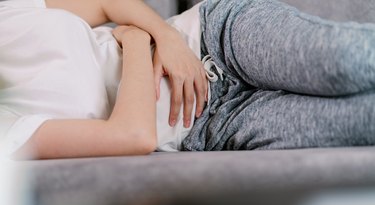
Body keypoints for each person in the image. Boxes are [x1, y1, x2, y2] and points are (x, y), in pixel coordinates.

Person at [1, 0, 375, 159]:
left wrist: (165, 37)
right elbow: (133, 137)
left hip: (209, 39)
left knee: (345, 61)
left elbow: (105, 4)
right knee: (362, 119)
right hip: (210, 126)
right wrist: (136, 41)